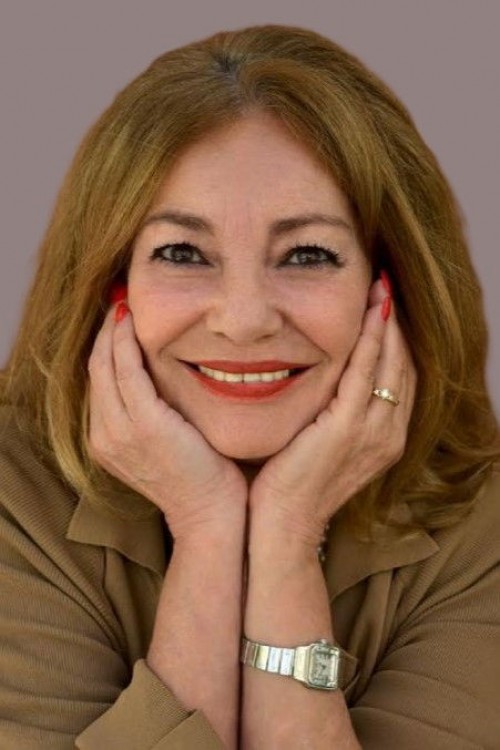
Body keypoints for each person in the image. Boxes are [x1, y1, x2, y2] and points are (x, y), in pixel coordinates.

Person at [0, 23, 499, 750]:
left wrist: (288, 532)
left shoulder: (483, 522)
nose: (243, 321)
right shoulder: (12, 494)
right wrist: (207, 528)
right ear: (110, 281)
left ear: (389, 284)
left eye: (306, 254)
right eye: (182, 252)